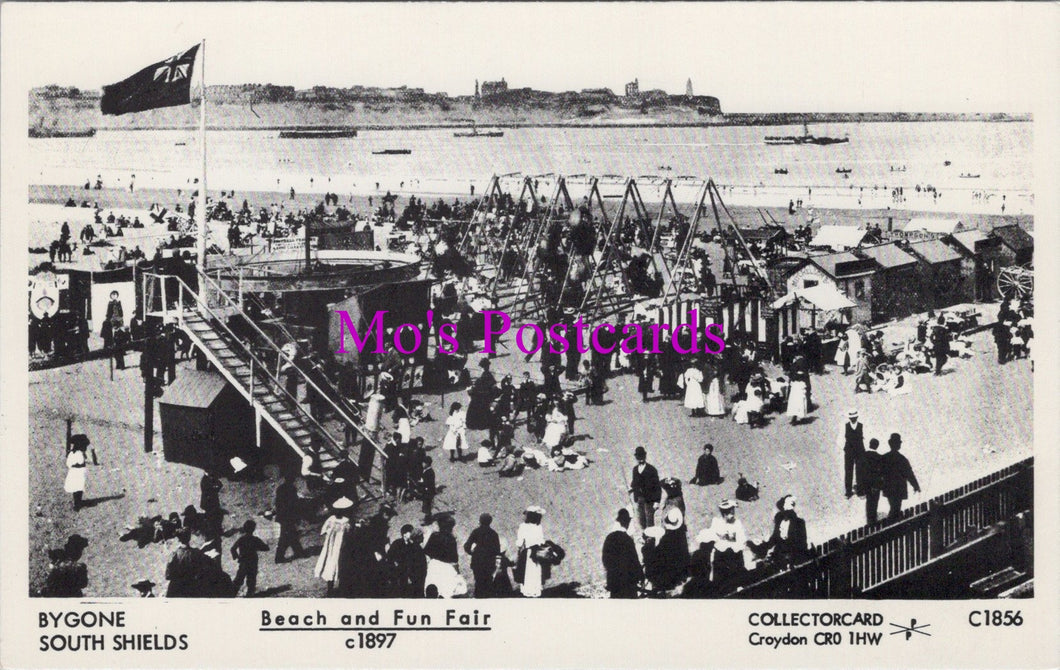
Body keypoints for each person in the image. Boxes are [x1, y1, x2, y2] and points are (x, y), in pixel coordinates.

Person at [643, 508, 690, 595]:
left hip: (667, 576)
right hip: (679, 573)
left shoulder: (666, 539)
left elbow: (657, 556)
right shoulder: (681, 539)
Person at [706, 499, 748, 591]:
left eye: (732, 511)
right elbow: (714, 538)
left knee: (737, 568)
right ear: (723, 513)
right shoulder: (716, 522)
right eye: (728, 511)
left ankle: (738, 585)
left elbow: (741, 540)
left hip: (734, 555)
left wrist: (730, 542)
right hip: (721, 556)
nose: (731, 513)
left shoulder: (737, 523)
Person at [601, 508, 642, 598]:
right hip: (628, 582)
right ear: (627, 523)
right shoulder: (628, 540)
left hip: (614, 581)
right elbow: (634, 561)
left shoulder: (609, 538)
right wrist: (640, 576)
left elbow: (605, 560)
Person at [315, 497, 352, 595]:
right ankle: (342, 587)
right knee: (340, 564)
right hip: (341, 546)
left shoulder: (330, 519)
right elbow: (349, 533)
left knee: (330, 564)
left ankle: (330, 588)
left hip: (330, 546)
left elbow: (323, 531)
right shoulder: (346, 521)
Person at [881, 433, 921, 520]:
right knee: (895, 508)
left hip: (888, 487)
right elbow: (909, 474)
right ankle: (891, 525)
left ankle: (891, 524)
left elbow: (878, 473)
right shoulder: (902, 459)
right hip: (899, 488)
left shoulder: (884, 458)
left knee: (894, 507)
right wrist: (916, 485)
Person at [424, 515, 463, 598]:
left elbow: (426, 551)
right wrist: (458, 573)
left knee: (432, 592)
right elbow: (454, 559)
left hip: (434, 566)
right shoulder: (451, 539)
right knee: (446, 593)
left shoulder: (434, 536)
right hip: (447, 568)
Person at [464, 513, 501, 598]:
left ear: (480, 521)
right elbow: (497, 550)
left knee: (478, 582)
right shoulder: (494, 533)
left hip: (477, 560)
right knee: (488, 582)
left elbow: (467, 546)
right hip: (489, 561)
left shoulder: (476, 532)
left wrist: (472, 552)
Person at [766, 495, 808, 568]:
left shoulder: (799, 523)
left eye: (791, 504)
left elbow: (802, 543)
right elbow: (774, 539)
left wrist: (794, 559)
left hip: (795, 559)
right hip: (780, 559)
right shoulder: (779, 522)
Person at [231, 519, 269, 597]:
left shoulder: (241, 539)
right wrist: (258, 548)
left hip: (243, 562)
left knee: (239, 578)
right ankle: (250, 595)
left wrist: (236, 557)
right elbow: (266, 548)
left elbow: (233, 549)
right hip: (253, 562)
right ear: (253, 529)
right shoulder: (255, 539)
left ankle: (232, 594)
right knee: (251, 579)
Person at [514, 506, 547, 598]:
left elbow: (520, 541)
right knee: (536, 570)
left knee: (526, 570)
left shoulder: (523, 526)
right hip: (537, 552)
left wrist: (519, 547)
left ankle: (528, 590)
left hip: (528, 551)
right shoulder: (538, 527)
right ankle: (535, 590)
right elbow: (541, 541)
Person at [165, 528, 206, 597]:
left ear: (178, 539)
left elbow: (168, 575)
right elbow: (202, 571)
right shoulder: (197, 553)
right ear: (189, 538)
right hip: (193, 587)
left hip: (177, 588)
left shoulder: (174, 554)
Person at [628, 446, 661, 530]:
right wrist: (631, 488)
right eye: (638, 456)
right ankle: (645, 538)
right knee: (641, 520)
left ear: (645, 456)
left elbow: (657, 486)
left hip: (649, 500)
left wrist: (657, 501)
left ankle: (650, 540)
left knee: (649, 522)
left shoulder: (652, 470)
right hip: (639, 499)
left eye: (642, 456)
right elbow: (635, 482)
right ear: (636, 457)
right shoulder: (635, 470)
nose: (640, 458)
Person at [273, 475, 304, 563]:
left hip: (281, 515)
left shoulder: (280, 488)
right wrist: (297, 516)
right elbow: (294, 504)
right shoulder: (292, 489)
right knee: (285, 537)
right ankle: (279, 557)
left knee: (292, 534)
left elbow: (277, 503)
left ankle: (299, 551)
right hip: (288, 516)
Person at [838, 409, 865, 498]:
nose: (853, 419)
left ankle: (860, 492)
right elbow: (839, 440)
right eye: (851, 418)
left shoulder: (861, 426)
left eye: (854, 417)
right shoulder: (845, 426)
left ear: (857, 417)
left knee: (860, 471)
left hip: (860, 451)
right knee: (848, 471)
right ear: (849, 418)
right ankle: (848, 492)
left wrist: (865, 450)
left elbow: (866, 438)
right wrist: (845, 448)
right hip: (849, 452)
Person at [859, 438, 884, 524]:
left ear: (870, 444)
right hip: (876, 485)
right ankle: (872, 521)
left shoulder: (863, 456)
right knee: (875, 502)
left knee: (869, 503)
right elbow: (881, 473)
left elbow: (860, 471)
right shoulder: (880, 457)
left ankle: (869, 521)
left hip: (866, 484)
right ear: (877, 446)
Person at [65, 434, 89, 511]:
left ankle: (77, 502)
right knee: (79, 488)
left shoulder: (72, 453)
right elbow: (81, 461)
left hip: (75, 472)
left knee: (77, 488)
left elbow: (68, 464)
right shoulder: (78, 453)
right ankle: (77, 504)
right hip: (79, 472)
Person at [420, 457, 436, 524]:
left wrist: (423, 483)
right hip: (426, 491)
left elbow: (429, 483)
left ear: (427, 464)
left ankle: (428, 520)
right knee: (425, 504)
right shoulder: (426, 470)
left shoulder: (430, 472)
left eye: (423, 463)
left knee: (427, 505)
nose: (422, 464)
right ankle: (427, 517)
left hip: (428, 491)